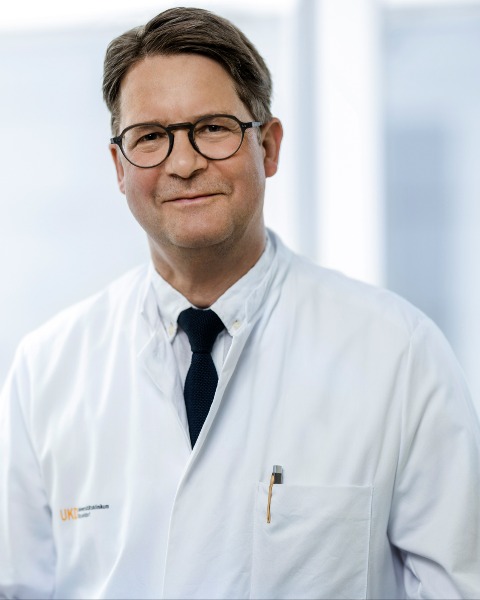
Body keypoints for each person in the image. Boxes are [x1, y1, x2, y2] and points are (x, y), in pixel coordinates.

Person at [0, 6, 479, 600]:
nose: (183, 163)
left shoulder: (399, 354)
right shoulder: (47, 370)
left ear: (269, 147)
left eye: (213, 128)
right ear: (119, 168)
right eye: (150, 137)